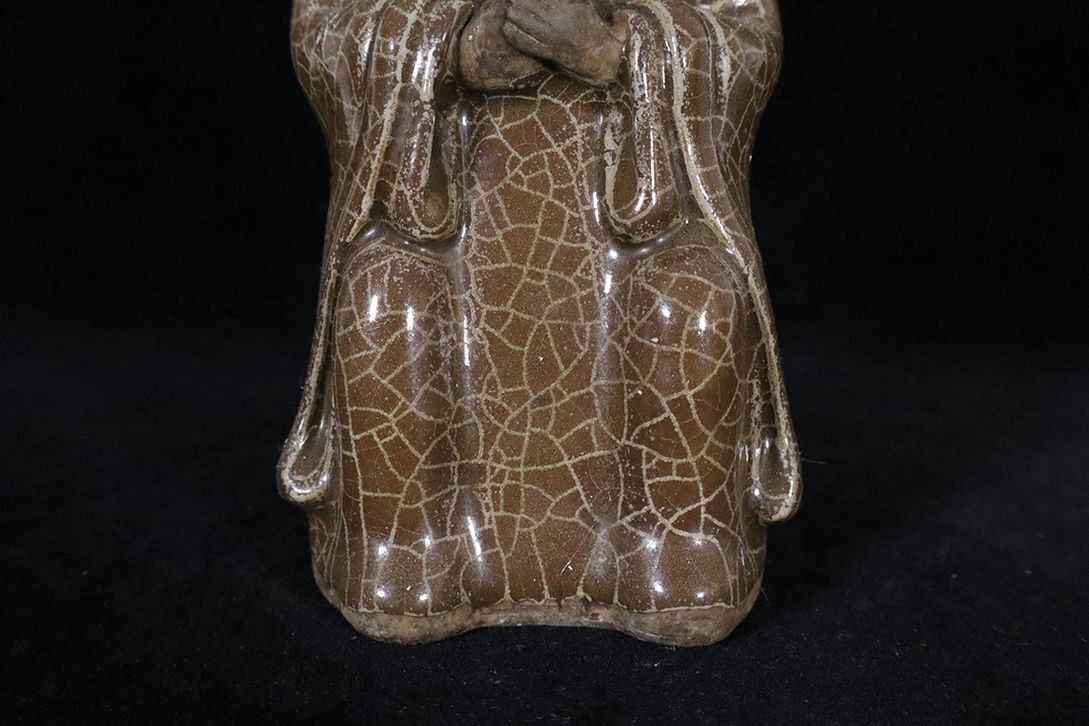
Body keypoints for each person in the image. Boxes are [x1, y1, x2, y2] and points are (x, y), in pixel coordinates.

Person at [280, 0, 801, 644]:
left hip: (636, 223)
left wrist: (625, 54)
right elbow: (325, 30)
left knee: (693, 300)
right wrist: (446, 52)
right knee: (386, 298)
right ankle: (407, 545)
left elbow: (746, 37)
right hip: (447, 211)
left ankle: (675, 543)